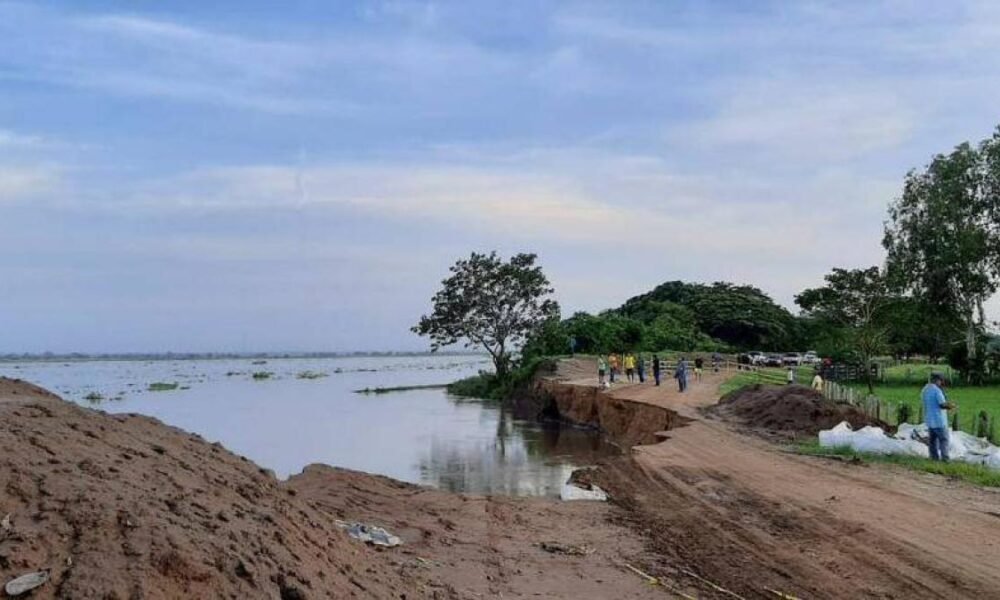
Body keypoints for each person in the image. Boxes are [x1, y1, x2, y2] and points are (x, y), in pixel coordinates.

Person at [922, 373, 955, 462]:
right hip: (939, 421)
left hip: (930, 420)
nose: (941, 383)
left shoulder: (925, 389)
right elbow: (942, 405)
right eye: (941, 381)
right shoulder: (937, 391)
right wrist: (951, 406)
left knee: (932, 442)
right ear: (937, 380)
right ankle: (945, 459)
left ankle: (934, 458)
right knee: (944, 440)